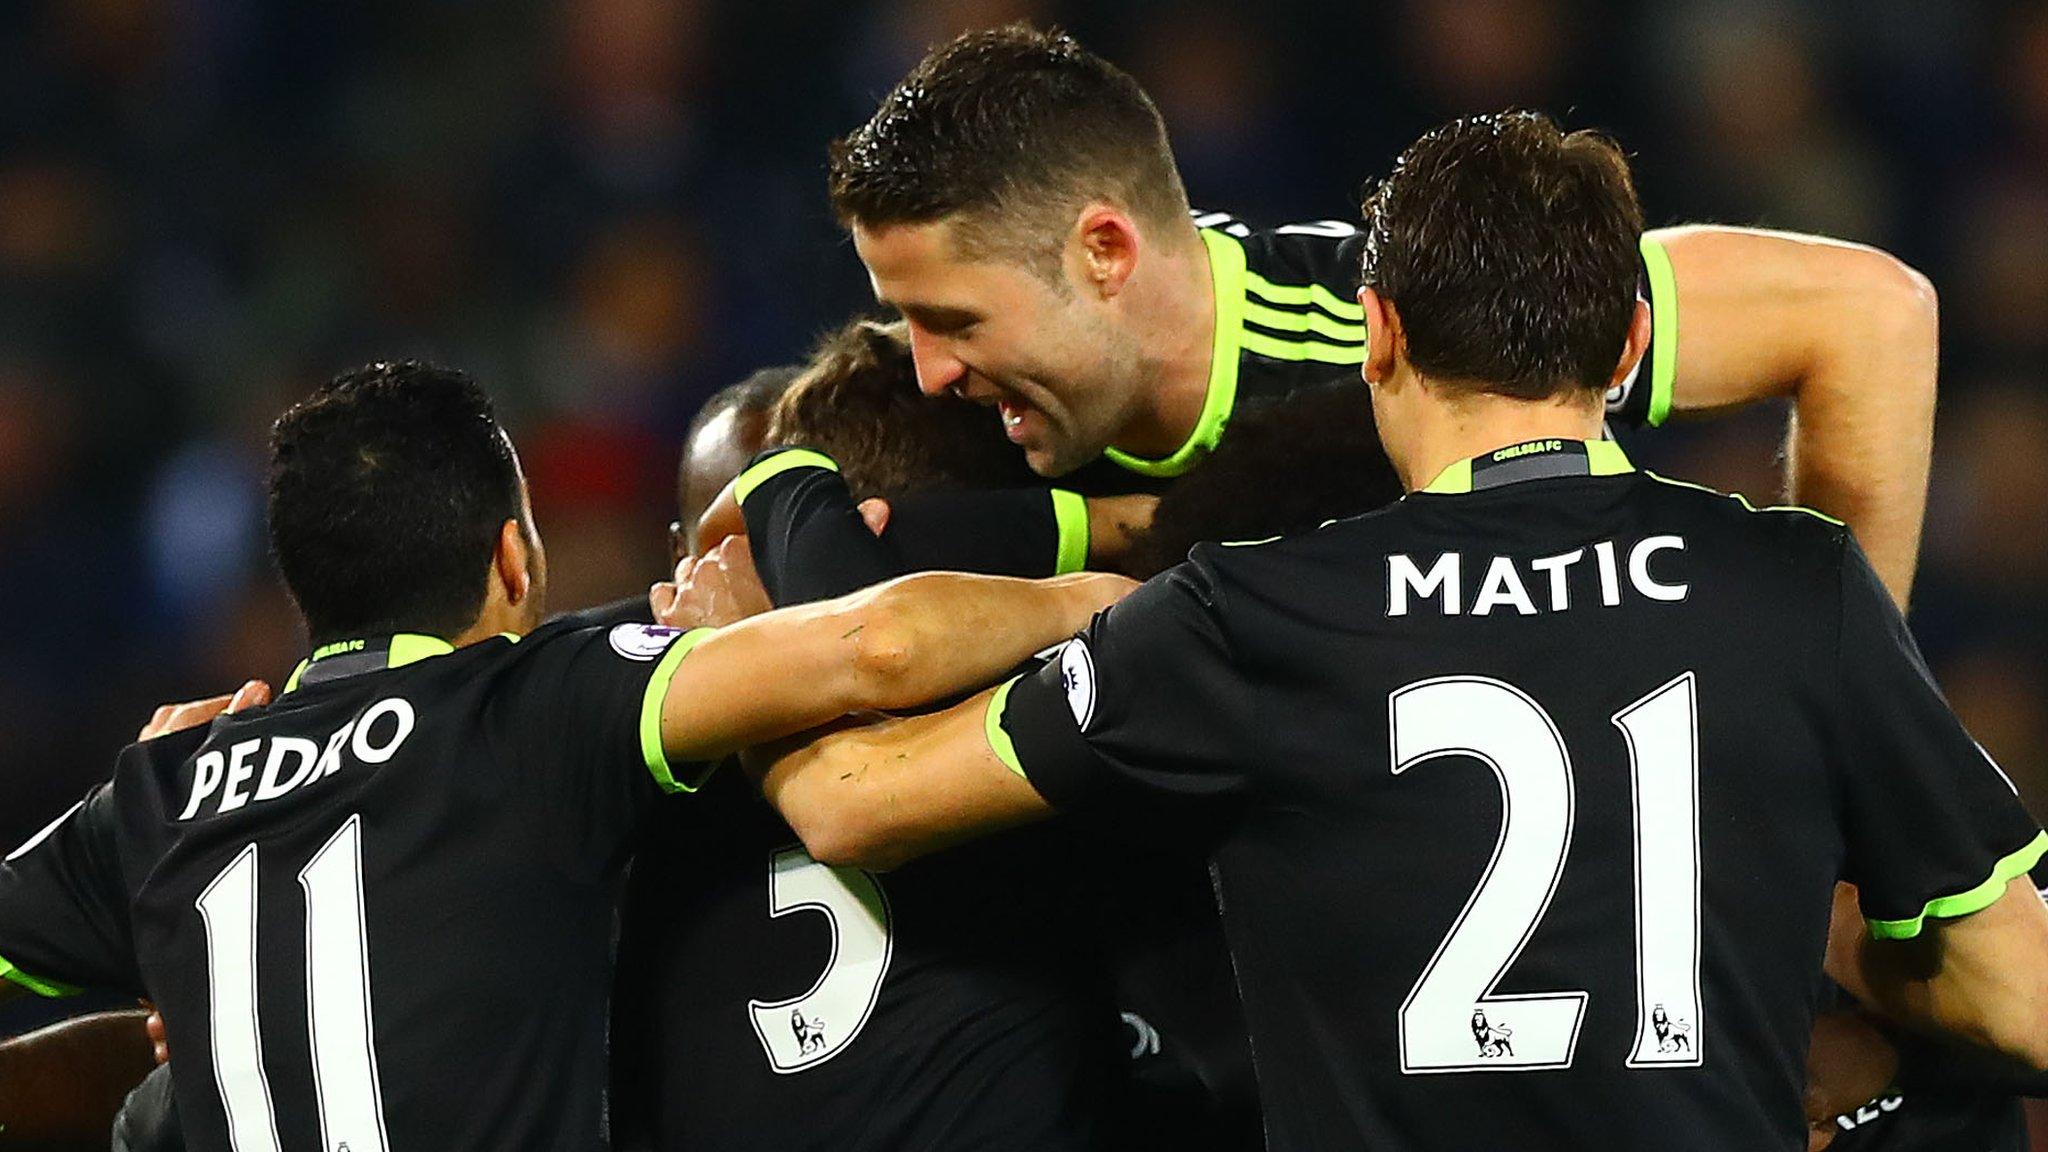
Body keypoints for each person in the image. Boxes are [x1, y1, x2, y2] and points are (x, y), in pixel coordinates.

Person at [746, 112, 2048, 1152]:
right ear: (1635, 342)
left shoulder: (1250, 613)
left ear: (1374, 334)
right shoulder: (1796, 591)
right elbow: (2014, 989)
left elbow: (857, 800)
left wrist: (780, 516)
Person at [0, 361, 1130, 1152]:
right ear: (511, 556)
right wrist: (1116, 598)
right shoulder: (534, 705)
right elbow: (876, 645)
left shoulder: (159, 791)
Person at [827, 24, 1939, 607]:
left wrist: (1848, 734)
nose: (926, 370)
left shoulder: (1403, 323)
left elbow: (1866, 312)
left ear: (1105, 251)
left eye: (955, 322)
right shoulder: (933, 418)